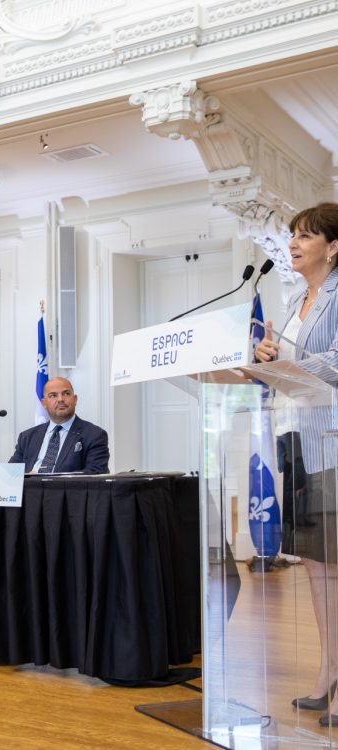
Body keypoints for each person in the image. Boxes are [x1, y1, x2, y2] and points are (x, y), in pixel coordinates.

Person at [254, 202, 338, 727]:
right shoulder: (293, 299)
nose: (292, 244)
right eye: (291, 236)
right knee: (314, 565)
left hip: (331, 441)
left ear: (333, 247)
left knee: (336, 565)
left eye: (305, 236)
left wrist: (287, 360)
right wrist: (266, 357)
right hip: (295, 441)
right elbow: (293, 361)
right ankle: (330, 669)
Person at [9, 376, 109, 474]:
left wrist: (45, 480)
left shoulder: (94, 435)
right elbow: (10, 474)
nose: (60, 399)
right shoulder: (27, 437)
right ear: (44, 403)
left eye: (66, 394)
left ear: (75, 399)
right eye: (53, 395)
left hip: (65, 490)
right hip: (30, 489)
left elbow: (95, 474)